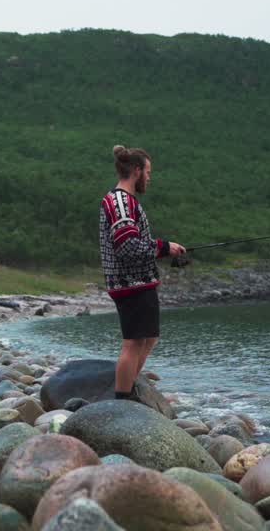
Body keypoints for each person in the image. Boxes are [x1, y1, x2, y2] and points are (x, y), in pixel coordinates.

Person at [99, 145, 184, 401]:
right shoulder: (121, 201)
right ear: (136, 171)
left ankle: (127, 390)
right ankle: (123, 399)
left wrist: (163, 248)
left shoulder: (122, 200)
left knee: (148, 339)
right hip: (130, 283)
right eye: (147, 171)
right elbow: (126, 245)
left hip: (137, 283)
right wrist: (164, 247)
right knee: (134, 342)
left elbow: (130, 242)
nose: (149, 177)